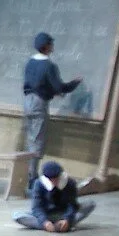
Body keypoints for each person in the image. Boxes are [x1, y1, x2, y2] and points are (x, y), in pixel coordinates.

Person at [22, 32, 82, 189]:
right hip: (39, 103)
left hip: (27, 102)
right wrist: (74, 83)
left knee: (30, 138)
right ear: (47, 46)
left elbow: (37, 83)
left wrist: (53, 91)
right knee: (37, 140)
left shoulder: (30, 63)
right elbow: (58, 86)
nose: (53, 46)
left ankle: (28, 173)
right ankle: (32, 178)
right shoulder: (49, 66)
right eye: (51, 44)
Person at [13, 161, 95, 232]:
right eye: (51, 180)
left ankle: (63, 225)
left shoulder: (70, 183)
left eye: (56, 179)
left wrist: (67, 219)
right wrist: (44, 222)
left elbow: (72, 205)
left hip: (63, 213)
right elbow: (36, 207)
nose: (54, 182)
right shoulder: (39, 184)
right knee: (17, 215)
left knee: (90, 204)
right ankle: (55, 227)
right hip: (46, 214)